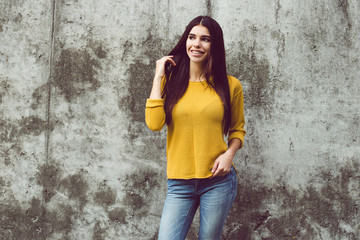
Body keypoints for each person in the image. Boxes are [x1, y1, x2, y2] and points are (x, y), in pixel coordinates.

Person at [145, 15, 246, 240]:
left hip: (217, 181)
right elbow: (154, 124)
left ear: (215, 45)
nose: (196, 44)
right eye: (192, 37)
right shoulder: (169, 82)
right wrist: (158, 75)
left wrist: (230, 154)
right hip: (179, 184)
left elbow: (237, 130)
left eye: (205, 39)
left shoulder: (231, 85)